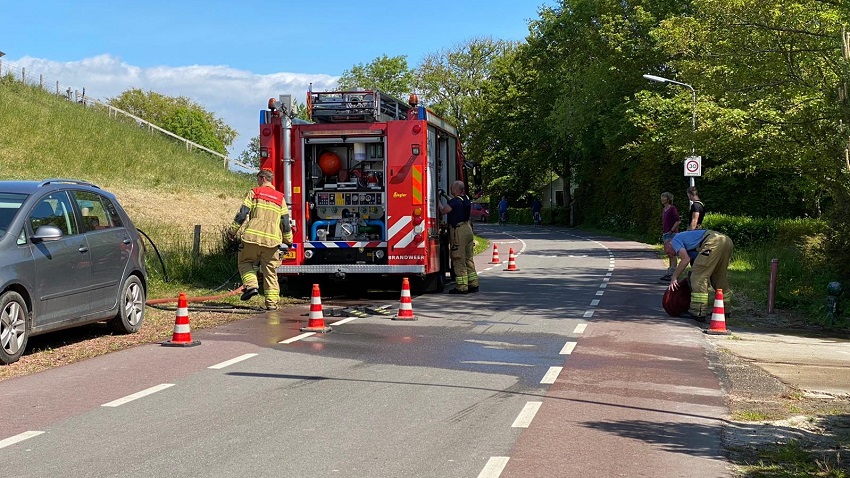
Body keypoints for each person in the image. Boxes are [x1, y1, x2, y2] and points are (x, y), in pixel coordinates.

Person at [227, 169, 294, 310]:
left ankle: (251, 286)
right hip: (272, 241)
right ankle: (271, 304)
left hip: (252, 237)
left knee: (245, 262)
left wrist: (232, 231)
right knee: (270, 272)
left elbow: (242, 213)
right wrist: (288, 240)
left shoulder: (255, 192)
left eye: (258, 179)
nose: (257, 182)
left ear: (263, 178)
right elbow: (286, 222)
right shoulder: (280, 198)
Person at [665, 229, 734, 322]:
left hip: (712, 242)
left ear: (669, 244)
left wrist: (674, 277)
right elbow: (696, 261)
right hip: (725, 240)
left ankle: (698, 312)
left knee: (698, 277)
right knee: (718, 277)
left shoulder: (675, 241)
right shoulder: (688, 243)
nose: (670, 255)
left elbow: (685, 259)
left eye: (668, 252)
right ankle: (724, 310)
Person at [440, 181, 479, 294]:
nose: (451, 188)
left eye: (452, 187)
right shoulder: (465, 199)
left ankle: (461, 287)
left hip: (458, 231)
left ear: (456, 190)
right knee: (468, 258)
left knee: (458, 258)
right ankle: (473, 284)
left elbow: (443, 211)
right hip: (467, 229)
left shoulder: (455, 202)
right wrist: (445, 196)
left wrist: (437, 200)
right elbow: (454, 202)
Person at [659, 192, 680, 281]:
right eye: (661, 197)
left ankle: (673, 273)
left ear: (668, 199)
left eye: (663, 197)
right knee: (668, 253)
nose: (662, 199)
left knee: (672, 253)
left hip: (672, 234)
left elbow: (678, 221)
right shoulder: (664, 209)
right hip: (666, 233)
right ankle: (669, 272)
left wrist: (672, 230)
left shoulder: (672, 208)